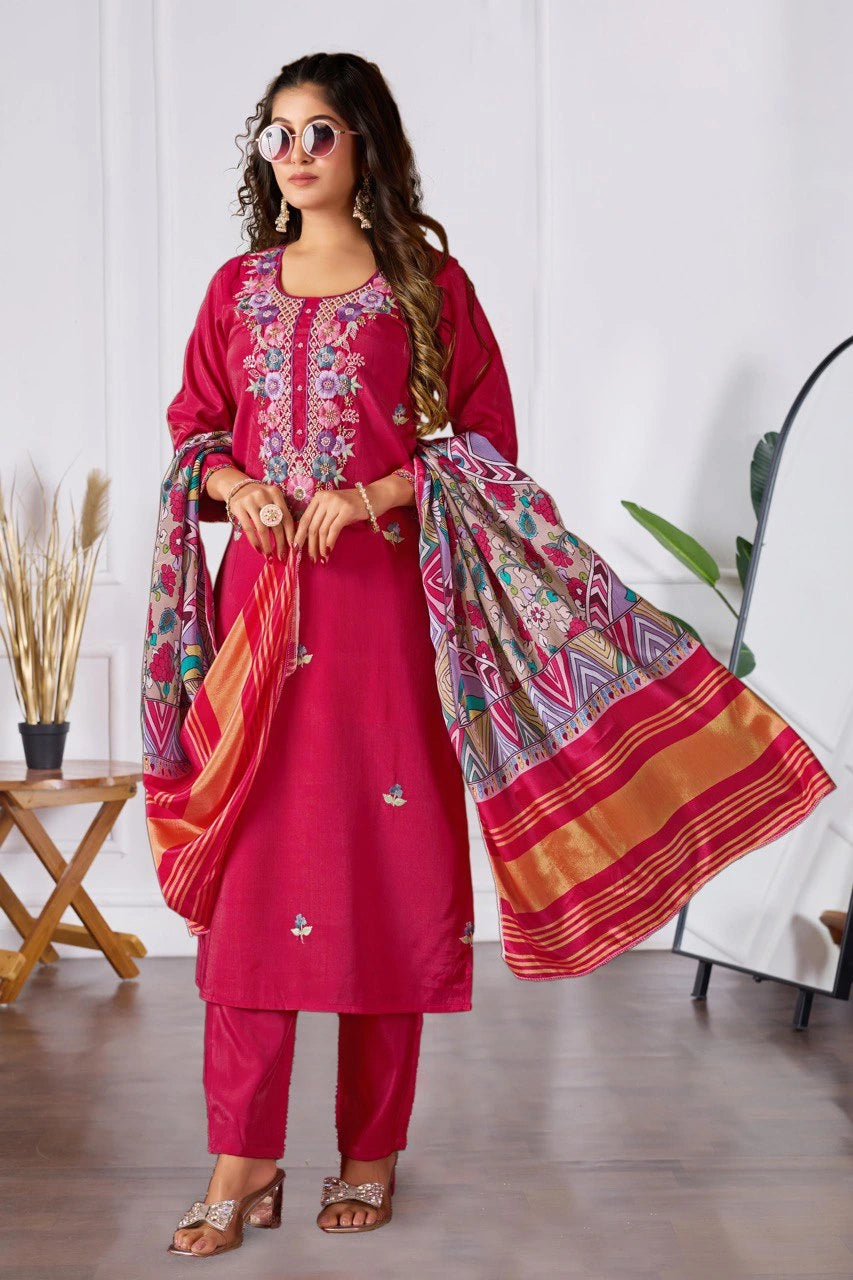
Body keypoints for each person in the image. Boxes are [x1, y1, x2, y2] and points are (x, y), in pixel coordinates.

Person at [162, 52, 516, 1257]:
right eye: (278, 132)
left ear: (366, 141)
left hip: (380, 618)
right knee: (253, 881)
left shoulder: (426, 285)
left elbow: (485, 448)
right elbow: (195, 425)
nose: (296, 152)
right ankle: (243, 1156)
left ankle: (370, 1152)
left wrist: (372, 494)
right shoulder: (237, 287)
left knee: (380, 871)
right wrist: (235, 486)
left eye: (321, 130)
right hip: (262, 614)